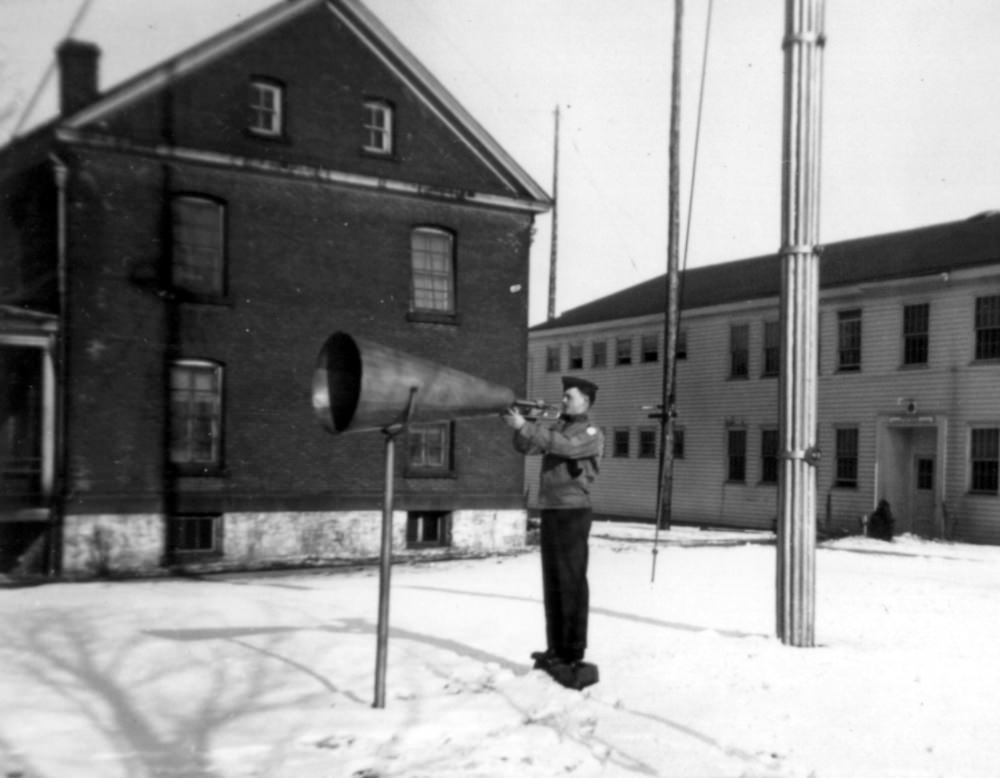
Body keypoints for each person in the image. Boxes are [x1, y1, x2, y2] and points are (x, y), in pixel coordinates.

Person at [502, 375, 604, 690]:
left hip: (573, 512)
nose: (562, 401)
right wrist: (522, 425)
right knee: (553, 582)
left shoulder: (590, 432)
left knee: (571, 583)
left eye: (569, 397)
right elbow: (527, 446)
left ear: (585, 402)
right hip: (552, 509)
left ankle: (573, 653)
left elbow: (565, 448)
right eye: (563, 396)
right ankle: (555, 649)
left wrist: (527, 426)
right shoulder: (556, 428)